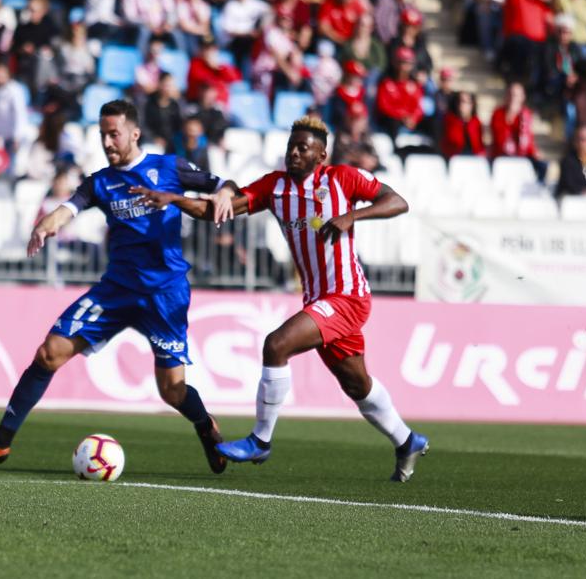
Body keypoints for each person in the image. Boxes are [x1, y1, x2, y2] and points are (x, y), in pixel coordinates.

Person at [135, 116, 428, 481]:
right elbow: (217, 211)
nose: (293, 152)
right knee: (357, 384)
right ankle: (407, 441)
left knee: (276, 345)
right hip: (319, 299)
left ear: (321, 154)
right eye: (291, 146)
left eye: (303, 147)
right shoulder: (275, 188)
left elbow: (396, 201)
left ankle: (261, 439)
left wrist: (353, 215)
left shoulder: (342, 179)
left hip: (347, 296)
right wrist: (174, 199)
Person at [0, 100, 235, 474]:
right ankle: (0, 442)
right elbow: (70, 206)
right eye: (102, 134)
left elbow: (223, 185)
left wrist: (226, 193)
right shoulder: (101, 181)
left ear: (134, 133)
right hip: (115, 291)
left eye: (113, 133)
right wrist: (49, 221)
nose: (107, 141)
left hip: (164, 294)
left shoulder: (168, 167)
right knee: (48, 353)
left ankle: (204, 424)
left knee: (172, 390)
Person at [439, 91, 487, 158]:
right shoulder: (449, 120)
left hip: (474, 160)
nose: (461, 104)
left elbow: (479, 146)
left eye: (465, 102)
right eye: (459, 101)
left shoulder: (476, 123)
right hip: (454, 159)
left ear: (472, 105)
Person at [556, 125, 586, 198]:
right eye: (578, 139)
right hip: (572, 201)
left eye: (584, 140)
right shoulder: (567, 161)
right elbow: (570, 185)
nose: (580, 143)